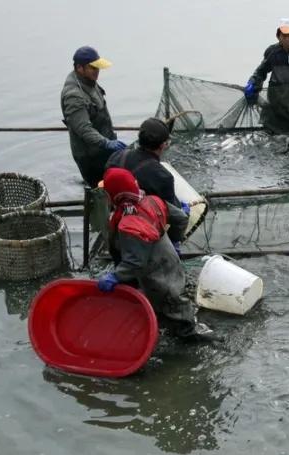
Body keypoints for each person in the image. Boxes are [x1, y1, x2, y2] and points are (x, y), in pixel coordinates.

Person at [96, 167, 213, 341]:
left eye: (107, 192)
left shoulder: (129, 224)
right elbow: (181, 218)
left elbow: (135, 263)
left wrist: (114, 276)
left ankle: (193, 343)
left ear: (115, 193)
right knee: (177, 299)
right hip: (170, 260)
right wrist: (174, 241)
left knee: (175, 312)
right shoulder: (151, 201)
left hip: (156, 275)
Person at [106, 117, 190, 244]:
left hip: (113, 225)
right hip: (141, 234)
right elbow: (170, 217)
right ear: (163, 145)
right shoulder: (163, 176)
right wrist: (183, 213)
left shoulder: (117, 157)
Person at [61, 46, 126, 186]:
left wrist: (110, 142)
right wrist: (106, 143)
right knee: (101, 190)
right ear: (79, 68)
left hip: (104, 149)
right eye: (93, 68)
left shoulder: (89, 81)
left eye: (98, 68)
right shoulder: (73, 95)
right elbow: (84, 129)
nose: (97, 72)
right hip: (90, 157)